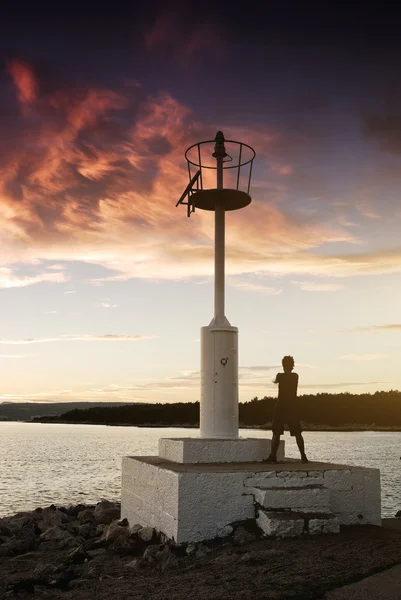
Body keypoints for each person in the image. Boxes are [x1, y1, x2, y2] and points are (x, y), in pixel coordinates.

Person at [264, 355, 308, 463]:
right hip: (292, 407)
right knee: (297, 432)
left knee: (276, 432)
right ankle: (303, 456)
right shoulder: (295, 376)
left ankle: (273, 456)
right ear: (292, 365)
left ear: (283, 365)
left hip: (280, 406)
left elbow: (275, 380)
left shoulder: (280, 376)